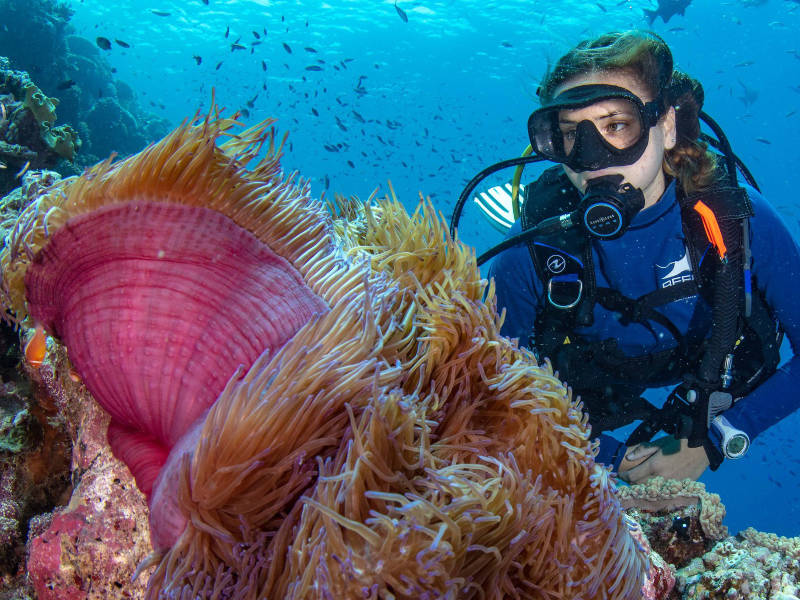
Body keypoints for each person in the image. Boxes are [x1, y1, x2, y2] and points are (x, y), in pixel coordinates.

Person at [485, 30, 800, 484]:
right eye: (571, 135)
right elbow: (492, 380)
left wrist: (721, 437)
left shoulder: (739, 220)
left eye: (617, 125)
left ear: (666, 126)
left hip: (707, 362)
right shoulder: (535, 246)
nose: (593, 160)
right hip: (600, 379)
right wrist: (609, 456)